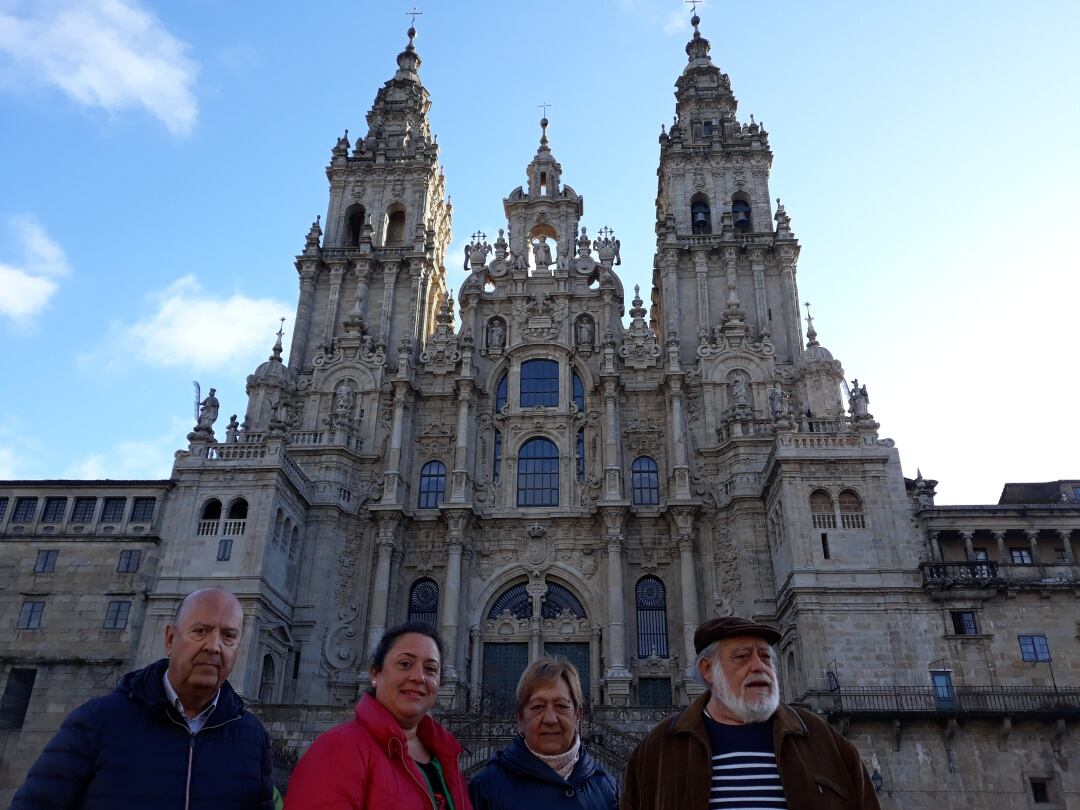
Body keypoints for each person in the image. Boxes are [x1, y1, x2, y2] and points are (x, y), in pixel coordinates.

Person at [12, 587, 274, 809]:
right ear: (170, 639)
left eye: (229, 636)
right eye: (200, 631)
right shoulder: (97, 721)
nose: (214, 646)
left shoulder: (253, 738)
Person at [621, 616, 880, 810]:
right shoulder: (658, 749)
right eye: (743, 657)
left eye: (765, 657)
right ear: (708, 670)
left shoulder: (825, 741)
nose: (759, 666)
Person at [284, 622, 470, 809]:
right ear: (375, 674)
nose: (419, 677)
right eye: (405, 664)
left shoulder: (447, 758)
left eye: (430, 669)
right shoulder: (338, 748)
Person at [469, 658, 617, 810]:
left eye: (561, 706)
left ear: (578, 715)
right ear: (520, 718)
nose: (550, 719)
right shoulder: (484, 789)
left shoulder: (608, 789)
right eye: (538, 706)